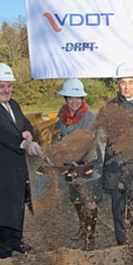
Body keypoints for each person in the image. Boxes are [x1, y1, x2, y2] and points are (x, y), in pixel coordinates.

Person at [0, 62, 42, 259]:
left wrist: (28, 131)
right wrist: (24, 144)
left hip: (14, 170)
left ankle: (15, 241)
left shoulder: (12, 104)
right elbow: (0, 132)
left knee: (15, 206)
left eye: (8, 85)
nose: (6, 90)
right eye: (1, 86)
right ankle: (0, 253)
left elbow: (23, 122)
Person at [102, 63, 133, 245]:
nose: (127, 87)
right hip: (117, 167)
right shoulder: (112, 107)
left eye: (130, 82)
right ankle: (122, 244)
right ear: (117, 85)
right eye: (123, 83)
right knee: (119, 209)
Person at [57, 78, 101, 250]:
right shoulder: (62, 115)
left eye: (77, 98)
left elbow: (84, 142)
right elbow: (61, 137)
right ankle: (82, 227)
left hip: (88, 162)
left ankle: (90, 235)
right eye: (70, 98)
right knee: (77, 200)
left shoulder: (90, 117)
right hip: (70, 164)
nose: (74, 102)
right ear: (66, 99)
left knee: (90, 201)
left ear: (82, 99)